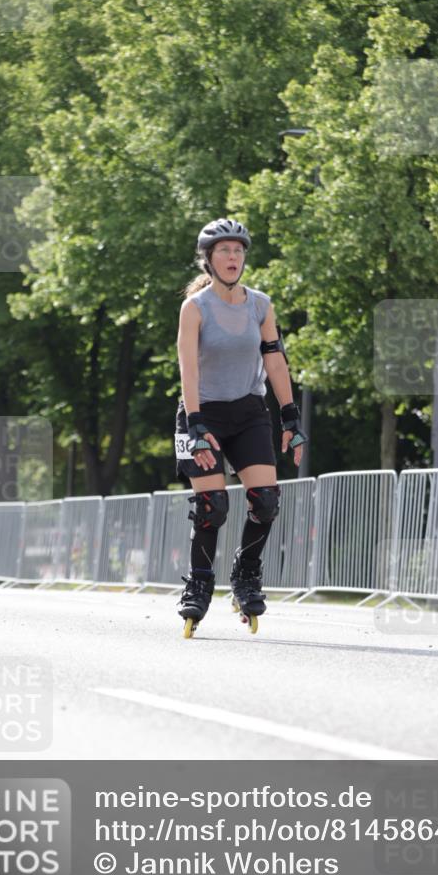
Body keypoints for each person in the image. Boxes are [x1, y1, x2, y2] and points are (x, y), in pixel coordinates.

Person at [174, 217, 308, 635]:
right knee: (213, 507)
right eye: (224, 251)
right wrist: (195, 424)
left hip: (249, 411)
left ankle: (245, 574)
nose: (233, 257)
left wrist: (290, 415)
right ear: (208, 260)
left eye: (238, 251)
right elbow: (188, 370)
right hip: (202, 413)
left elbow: (274, 359)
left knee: (266, 500)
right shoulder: (194, 309)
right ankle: (199, 584)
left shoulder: (260, 305)